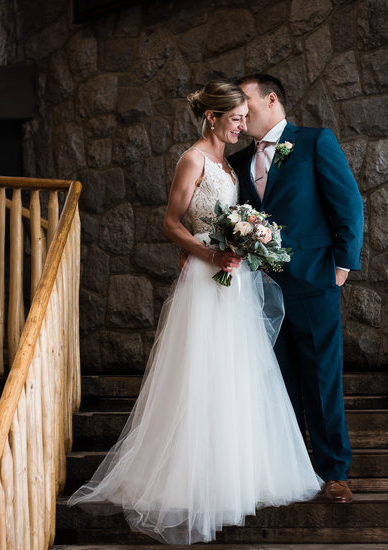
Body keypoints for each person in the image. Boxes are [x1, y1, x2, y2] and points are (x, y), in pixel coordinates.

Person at [68, 80, 323, 544]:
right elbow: (170, 221)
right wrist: (206, 254)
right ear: (213, 117)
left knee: (239, 374)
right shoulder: (193, 159)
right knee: (202, 374)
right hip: (207, 281)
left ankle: (238, 473)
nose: (243, 126)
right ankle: (194, 478)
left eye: (246, 118)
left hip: (236, 279)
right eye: (236, 119)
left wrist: (250, 239)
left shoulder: (229, 162)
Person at [228, 74, 365, 503]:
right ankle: (289, 471)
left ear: (271, 100)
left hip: (314, 280)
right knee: (277, 380)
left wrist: (341, 268)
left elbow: (348, 205)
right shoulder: (237, 163)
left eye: (245, 100)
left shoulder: (314, 142)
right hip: (260, 289)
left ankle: (334, 473)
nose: (241, 110)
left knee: (322, 378)